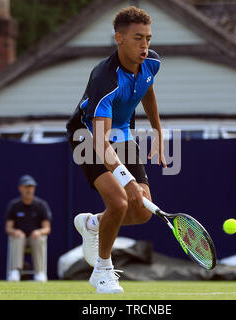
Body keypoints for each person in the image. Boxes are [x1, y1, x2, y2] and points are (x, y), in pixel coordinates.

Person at [66, 6, 166, 294]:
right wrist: (128, 181)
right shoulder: (104, 80)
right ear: (118, 39)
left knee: (143, 212)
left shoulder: (151, 62)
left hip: (122, 134)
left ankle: (92, 223)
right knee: (120, 203)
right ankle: (102, 271)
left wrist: (158, 131)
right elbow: (100, 141)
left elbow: (146, 88)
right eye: (138, 38)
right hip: (88, 136)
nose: (145, 45)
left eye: (148, 38)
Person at [5, 174, 52, 282]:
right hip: (20, 239)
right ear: (20, 188)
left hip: (34, 238)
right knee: (17, 238)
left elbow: (47, 228)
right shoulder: (14, 205)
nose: (29, 189)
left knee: (39, 238)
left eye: (31, 187)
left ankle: (39, 272)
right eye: (26, 187)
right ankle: (15, 271)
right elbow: (8, 228)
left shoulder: (41, 205)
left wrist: (39, 232)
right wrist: (15, 231)